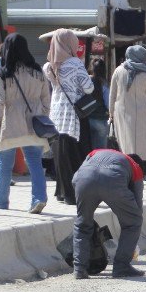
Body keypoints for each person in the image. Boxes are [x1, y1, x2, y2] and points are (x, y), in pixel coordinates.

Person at [0, 33, 51, 213]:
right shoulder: (38, 71)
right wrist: (41, 115)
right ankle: (39, 198)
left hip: (10, 124)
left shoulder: (4, 73)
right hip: (34, 124)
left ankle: (1, 202)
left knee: (5, 165)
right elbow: (47, 99)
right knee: (35, 163)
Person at [71, 149, 146, 279]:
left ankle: (79, 269)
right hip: (113, 180)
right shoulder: (136, 167)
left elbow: (75, 180)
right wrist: (131, 242)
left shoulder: (95, 152)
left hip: (83, 179)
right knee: (133, 222)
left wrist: (87, 207)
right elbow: (137, 208)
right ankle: (121, 267)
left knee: (83, 224)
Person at [44, 29, 94, 206]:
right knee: (76, 154)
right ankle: (74, 194)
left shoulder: (48, 66)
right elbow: (88, 88)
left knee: (60, 154)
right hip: (74, 114)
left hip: (56, 114)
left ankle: (61, 192)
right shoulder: (75, 63)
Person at [109, 45, 146, 177]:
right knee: (143, 145)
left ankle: (125, 171)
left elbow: (112, 95)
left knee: (125, 143)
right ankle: (142, 172)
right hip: (144, 115)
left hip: (121, 113)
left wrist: (111, 113)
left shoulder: (118, 70)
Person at [87, 57, 110, 151]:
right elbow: (108, 103)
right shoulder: (104, 83)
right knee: (100, 151)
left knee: (88, 149)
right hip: (100, 120)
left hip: (86, 119)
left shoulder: (86, 80)